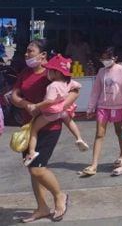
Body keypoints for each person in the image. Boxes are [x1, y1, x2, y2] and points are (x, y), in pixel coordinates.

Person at [11, 39, 78, 222]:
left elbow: (74, 90)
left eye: (30, 51)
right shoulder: (25, 73)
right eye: (26, 51)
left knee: (37, 169)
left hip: (50, 126)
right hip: (29, 127)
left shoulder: (52, 73)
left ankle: (59, 196)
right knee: (32, 169)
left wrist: (60, 107)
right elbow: (15, 95)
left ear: (43, 55)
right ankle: (41, 207)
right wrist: (26, 104)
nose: (26, 54)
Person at [23, 54, 89, 166]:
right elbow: (78, 86)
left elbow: (49, 101)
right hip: (63, 110)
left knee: (34, 129)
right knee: (70, 122)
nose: (47, 73)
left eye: (50, 71)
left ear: (57, 73)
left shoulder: (53, 86)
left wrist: (37, 106)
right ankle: (79, 138)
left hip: (51, 113)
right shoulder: (68, 82)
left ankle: (32, 152)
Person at [79, 47, 122, 177]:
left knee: (120, 133)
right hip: (102, 107)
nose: (105, 60)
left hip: (118, 107)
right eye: (103, 58)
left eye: (108, 57)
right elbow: (96, 90)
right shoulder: (101, 72)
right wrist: (90, 107)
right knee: (99, 134)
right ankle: (94, 165)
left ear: (115, 58)